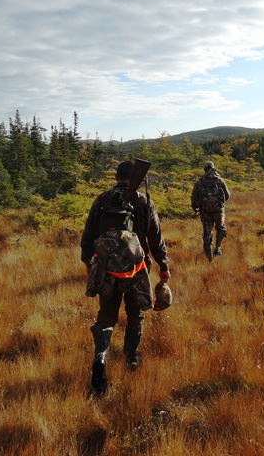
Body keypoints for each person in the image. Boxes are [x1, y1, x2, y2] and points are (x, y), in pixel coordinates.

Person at [81, 160, 170, 396]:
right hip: (136, 269)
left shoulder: (102, 199)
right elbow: (156, 238)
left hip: (106, 268)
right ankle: (131, 358)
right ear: (135, 178)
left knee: (106, 315)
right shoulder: (143, 201)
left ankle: (100, 358)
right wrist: (164, 266)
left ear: (116, 176)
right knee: (135, 313)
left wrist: (88, 262)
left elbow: (89, 232)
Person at [191, 161, 231, 261]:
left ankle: (209, 260)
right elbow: (227, 195)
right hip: (218, 210)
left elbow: (194, 197)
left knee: (207, 234)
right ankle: (217, 248)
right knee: (221, 227)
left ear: (205, 169)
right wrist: (220, 203)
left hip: (205, 212)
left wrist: (196, 209)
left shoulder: (199, 182)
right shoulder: (220, 180)